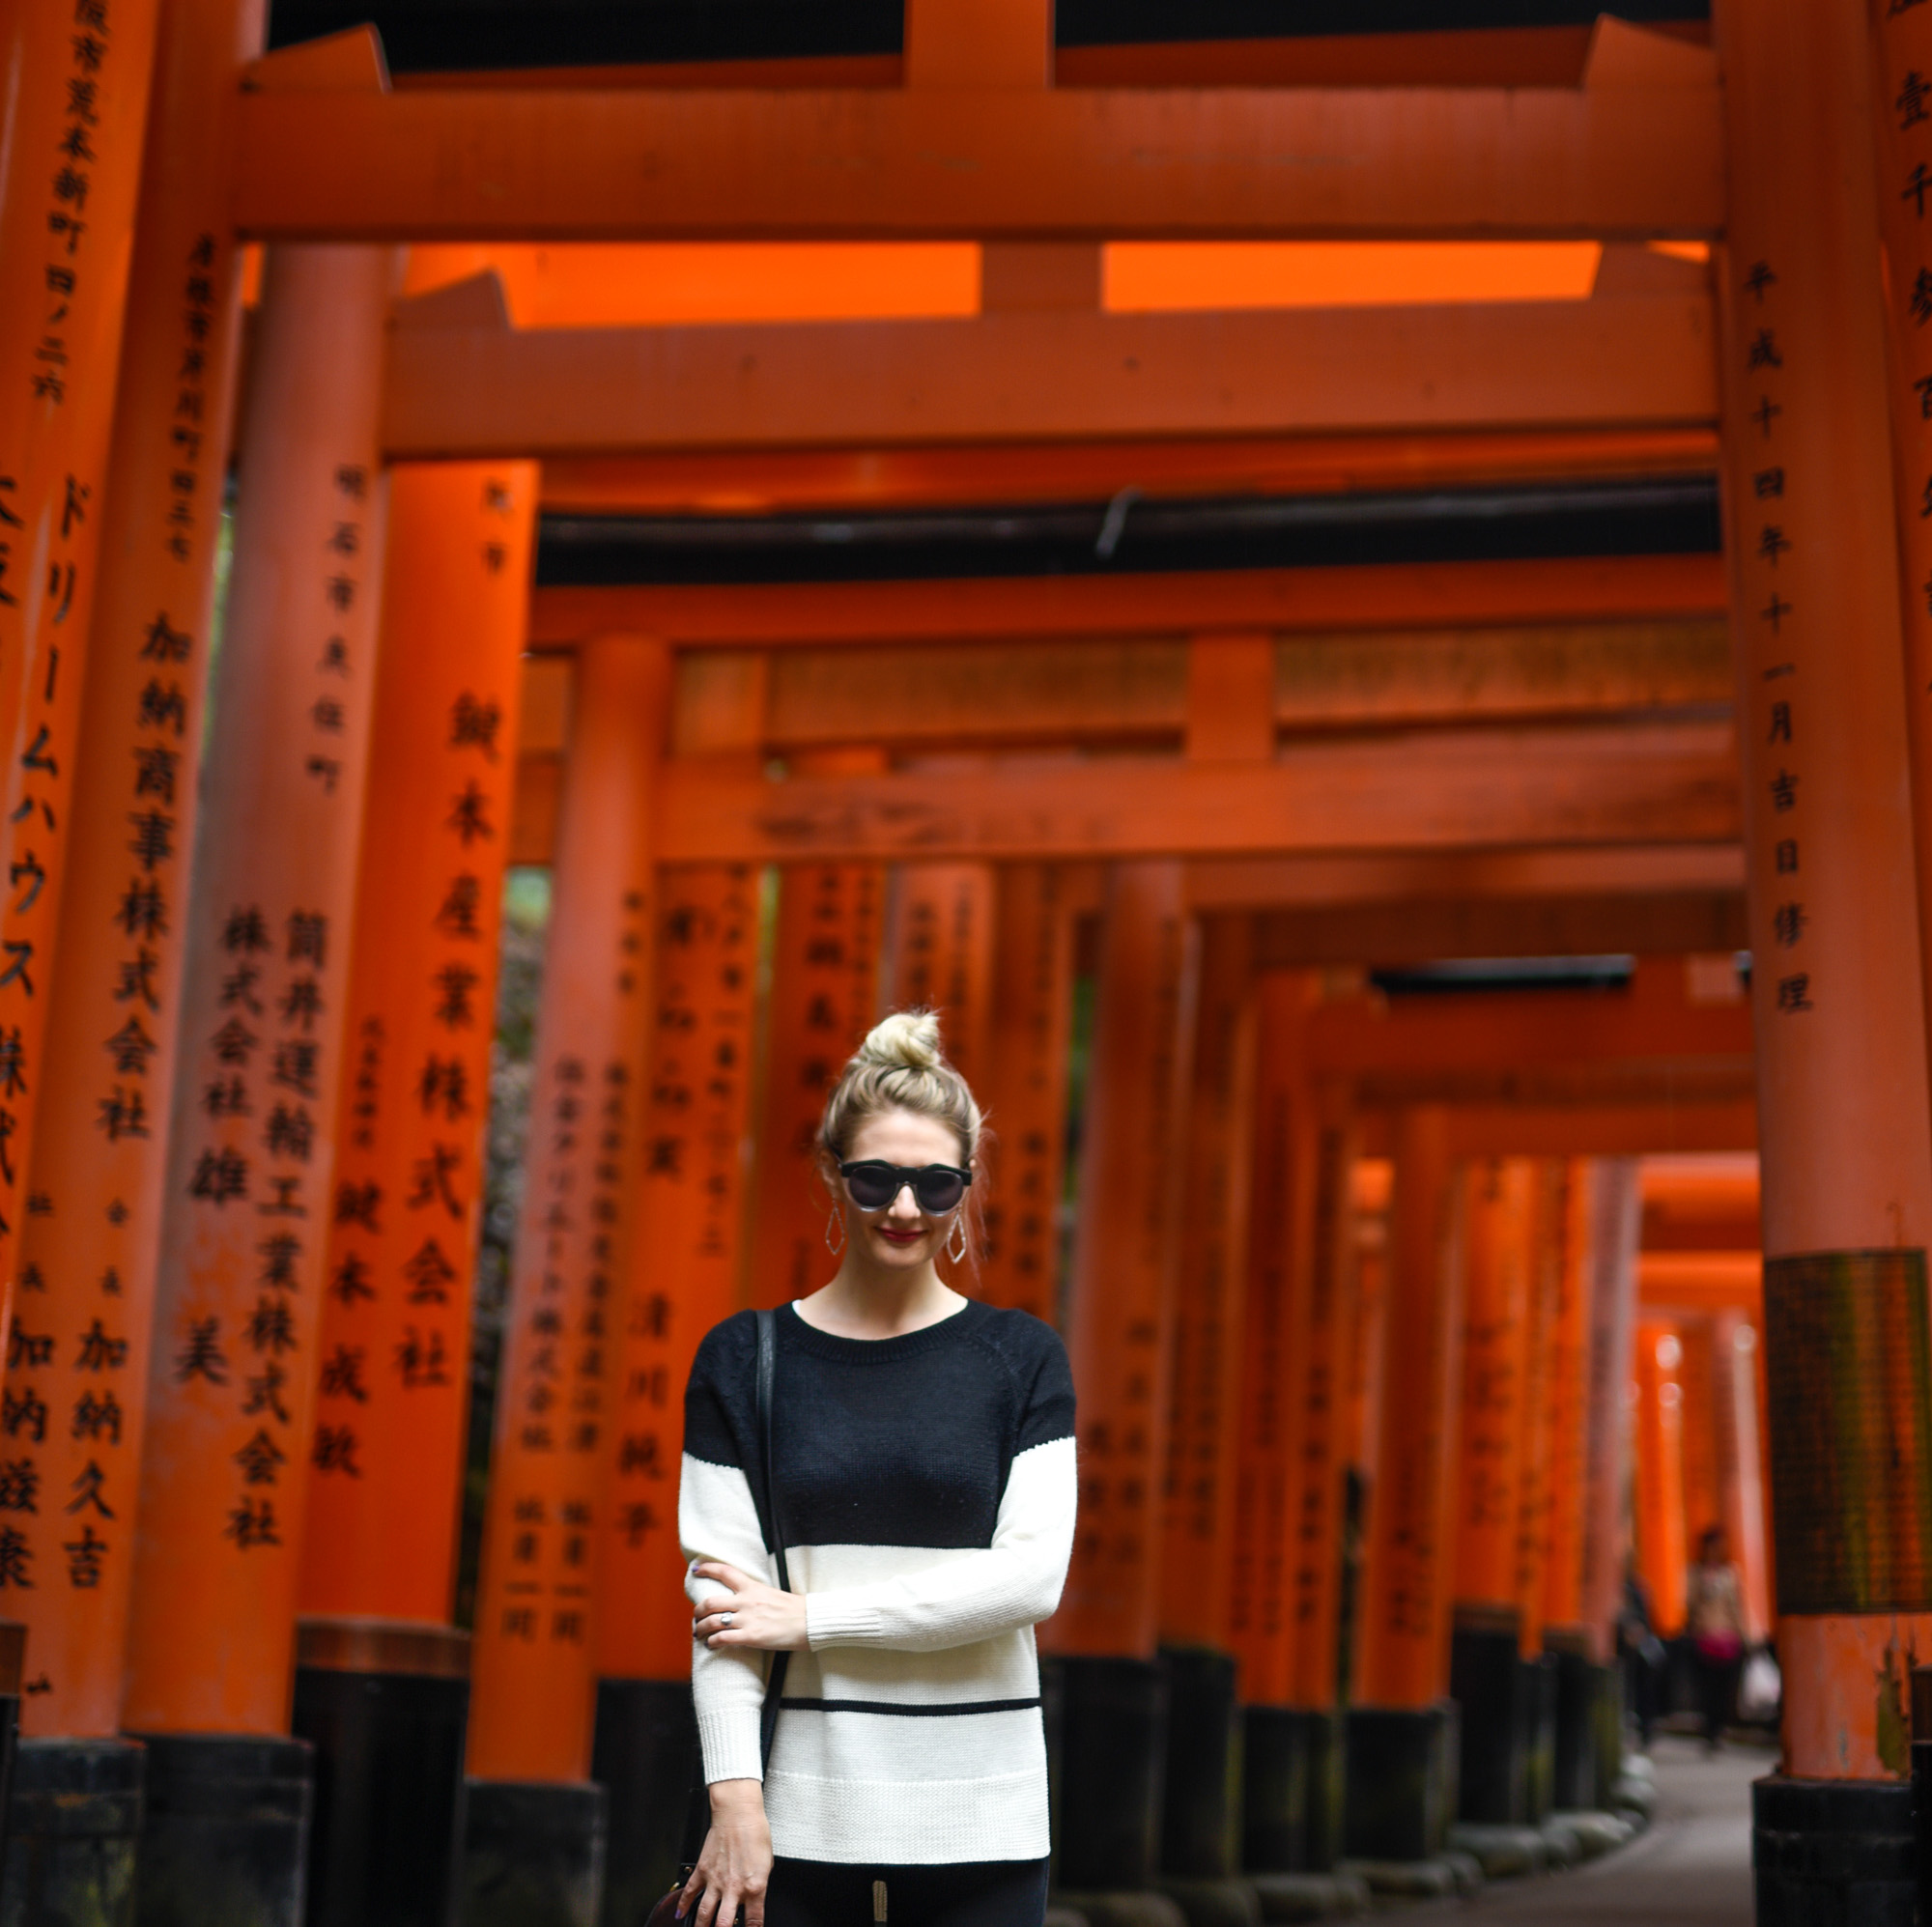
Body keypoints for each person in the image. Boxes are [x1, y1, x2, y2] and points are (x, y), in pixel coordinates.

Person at [675, 1010, 1077, 1927]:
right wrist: (734, 1801)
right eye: (876, 1178)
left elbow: (1030, 1579)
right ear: (831, 1172)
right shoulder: (744, 1358)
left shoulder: (1020, 1358)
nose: (905, 1208)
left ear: (966, 1187)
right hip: (793, 1813)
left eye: (936, 1185)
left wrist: (812, 1619)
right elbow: (725, 1607)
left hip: (982, 1811)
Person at [1686, 1523, 1747, 1751]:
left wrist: (1742, 1635)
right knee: (1707, 1689)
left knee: (1724, 1689)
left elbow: (1736, 1607)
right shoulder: (1696, 1573)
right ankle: (1709, 1730)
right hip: (1705, 1637)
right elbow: (1690, 1604)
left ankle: (1719, 1728)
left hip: (1728, 1637)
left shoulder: (1730, 1573)